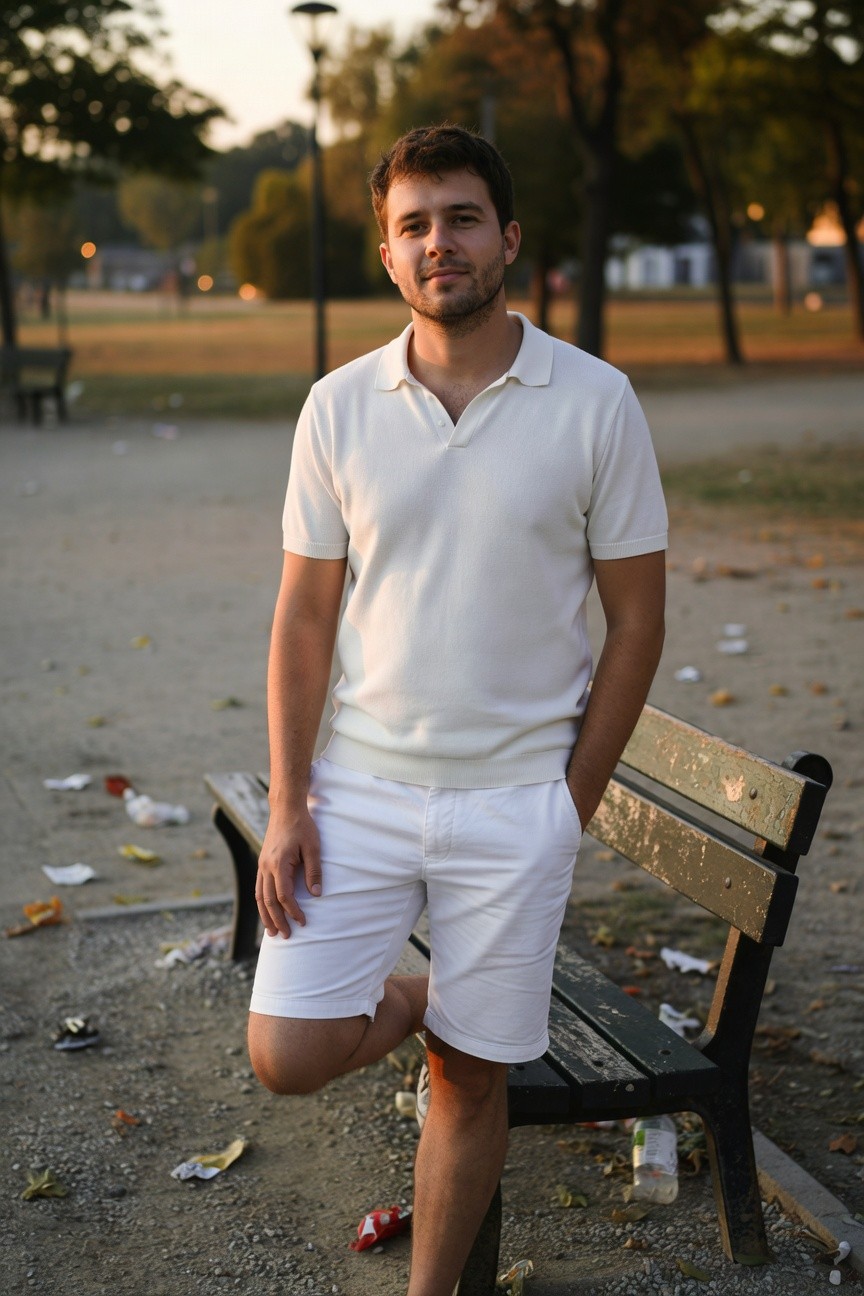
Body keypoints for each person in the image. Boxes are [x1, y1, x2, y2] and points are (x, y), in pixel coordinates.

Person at [248, 123, 667, 1296]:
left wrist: (564, 807)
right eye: (416, 224)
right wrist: (290, 807)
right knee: (283, 1055)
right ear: (389, 256)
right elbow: (303, 622)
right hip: (362, 790)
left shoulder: (597, 402)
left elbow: (636, 624)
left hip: (516, 804)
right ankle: (435, 994)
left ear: (508, 237)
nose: (442, 242)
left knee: (471, 1079)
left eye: (464, 217)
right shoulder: (336, 407)